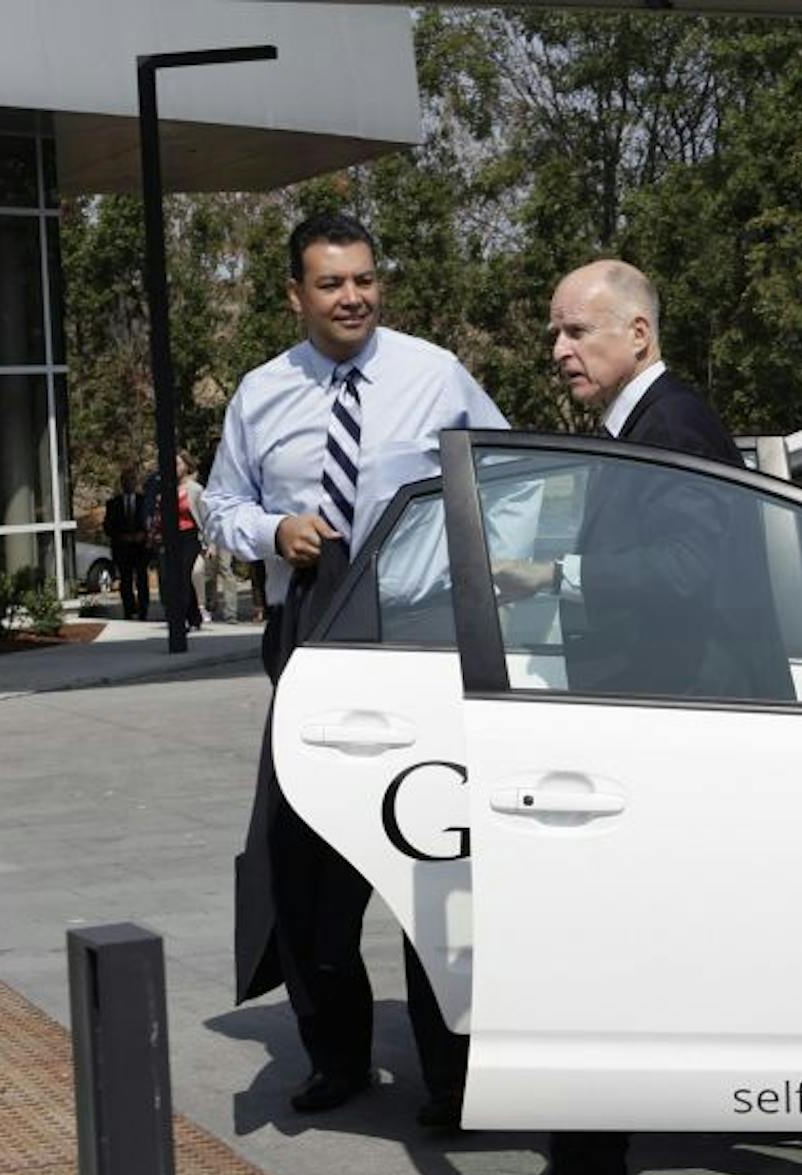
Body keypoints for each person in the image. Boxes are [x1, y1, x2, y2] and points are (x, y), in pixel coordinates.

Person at [495, 258, 802, 1175]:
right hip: (676, 732)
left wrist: (552, 574)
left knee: (591, 956)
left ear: (638, 334)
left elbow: (687, 569)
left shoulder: (672, 424)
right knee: (741, 952)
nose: (558, 350)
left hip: (685, 737)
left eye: (576, 332)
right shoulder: (645, 424)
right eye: (555, 333)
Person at [204, 211, 501, 1127]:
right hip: (311, 644)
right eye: (332, 284)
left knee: (432, 858)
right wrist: (269, 532)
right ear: (296, 295)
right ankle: (335, 1054)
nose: (354, 297)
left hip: (418, 645)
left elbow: (504, 470)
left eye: (365, 279)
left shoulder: (434, 374)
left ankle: (453, 1078)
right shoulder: (260, 394)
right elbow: (219, 505)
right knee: (306, 861)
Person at [102, 469, 153, 621]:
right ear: (122, 483)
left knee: (142, 579)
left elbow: (150, 521)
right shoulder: (113, 504)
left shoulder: (143, 501)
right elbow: (108, 526)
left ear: (135, 483)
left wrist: (143, 535)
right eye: (125, 480)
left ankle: (143, 610)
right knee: (125, 580)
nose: (128, 483)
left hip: (141, 548)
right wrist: (121, 536)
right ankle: (129, 610)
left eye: (132, 480)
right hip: (122, 548)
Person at [173, 452, 206, 632]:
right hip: (174, 537)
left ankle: (183, 618)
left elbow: (205, 517)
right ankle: (194, 616)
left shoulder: (195, 489)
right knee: (179, 577)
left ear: (186, 466)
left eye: (178, 464)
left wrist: (210, 544)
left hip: (191, 536)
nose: (175, 468)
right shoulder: (169, 488)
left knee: (185, 575)